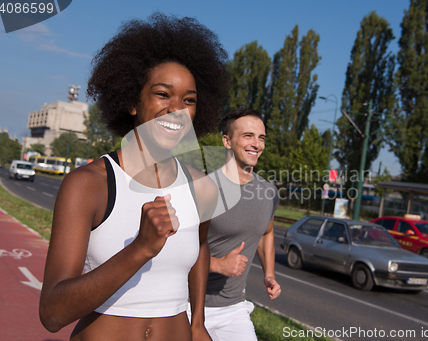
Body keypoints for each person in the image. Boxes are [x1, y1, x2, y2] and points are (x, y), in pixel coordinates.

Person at [39, 13, 228, 341]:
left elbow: (199, 248)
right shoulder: (88, 184)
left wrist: (198, 324)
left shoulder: (202, 187)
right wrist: (141, 248)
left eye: (189, 100)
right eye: (162, 94)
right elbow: (53, 313)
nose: (176, 109)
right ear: (131, 101)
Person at [201, 108, 282, 341]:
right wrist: (216, 264)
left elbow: (266, 232)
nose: (256, 144)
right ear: (226, 141)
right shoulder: (205, 189)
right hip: (186, 303)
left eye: (261, 137)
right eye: (248, 136)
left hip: (233, 309)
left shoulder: (268, 193)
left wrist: (269, 274)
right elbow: (172, 248)